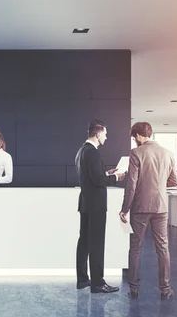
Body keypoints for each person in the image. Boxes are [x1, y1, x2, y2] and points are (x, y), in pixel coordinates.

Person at [119, 122, 177, 300]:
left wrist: (124, 209)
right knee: (163, 248)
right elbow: (174, 181)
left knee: (135, 248)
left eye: (133, 137)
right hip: (161, 207)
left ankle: (134, 289)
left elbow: (131, 185)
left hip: (140, 208)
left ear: (138, 135)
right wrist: (158, 185)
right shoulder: (168, 153)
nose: (134, 141)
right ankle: (166, 290)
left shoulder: (136, 153)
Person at [75, 119, 124, 294]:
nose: (106, 137)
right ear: (97, 134)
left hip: (86, 203)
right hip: (96, 205)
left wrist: (105, 173)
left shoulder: (82, 151)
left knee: (84, 241)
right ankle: (98, 283)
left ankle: (82, 279)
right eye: (104, 134)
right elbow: (98, 181)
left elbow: (92, 176)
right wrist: (116, 177)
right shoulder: (93, 152)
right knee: (96, 243)